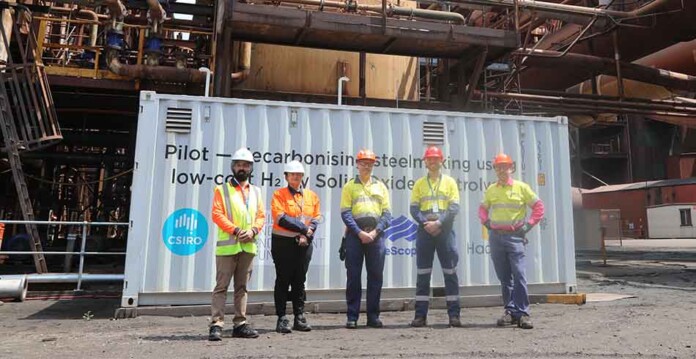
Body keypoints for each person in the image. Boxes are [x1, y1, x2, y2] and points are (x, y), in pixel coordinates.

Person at [479, 153, 545, 330]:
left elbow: (539, 207)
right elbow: (483, 209)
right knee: (504, 278)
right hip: (496, 237)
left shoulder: (521, 188)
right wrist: (485, 222)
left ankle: (523, 313)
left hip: (515, 237)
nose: (501, 170)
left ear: (511, 168)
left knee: (519, 275)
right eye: (498, 167)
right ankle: (510, 311)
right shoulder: (491, 189)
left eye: (504, 166)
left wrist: (527, 226)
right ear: (495, 169)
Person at [208, 147, 266, 341]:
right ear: (233, 167)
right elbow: (217, 214)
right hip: (228, 246)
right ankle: (216, 325)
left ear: (251, 168)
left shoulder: (256, 192)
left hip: (248, 246)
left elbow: (261, 216)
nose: (242, 168)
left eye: (246, 165)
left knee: (242, 288)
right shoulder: (222, 189)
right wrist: (236, 230)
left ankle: (240, 324)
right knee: (221, 287)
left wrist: (253, 231)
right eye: (239, 165)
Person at [409, 146, 462, 328]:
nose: (433, 162)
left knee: (450, 273)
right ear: (425, 162)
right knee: (423, 274)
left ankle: (454, 316)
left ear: (442, 161)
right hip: (425, 231)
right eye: (429, 159)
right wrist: (426, 223)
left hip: (445, 231)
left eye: (436, 159)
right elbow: (414, 209)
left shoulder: (450, 182)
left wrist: (438, 223)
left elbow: (454, 207)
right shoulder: (419, 184)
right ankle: (420, 316)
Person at [340, 149, 392, 329]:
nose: (367, 166)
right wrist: (359, 233)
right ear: (357, 164)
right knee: (353, 277)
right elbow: (346, 213)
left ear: (373, 165)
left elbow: (387, 214)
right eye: (363, 162)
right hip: (355, 237)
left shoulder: (381, 186)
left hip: (376, 236)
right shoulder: (349, 186)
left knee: (375, 277)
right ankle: (352, 316)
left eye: (370, 163)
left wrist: (375, 232)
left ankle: (373, 317)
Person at [270, 160, 321, 333]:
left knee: (300, 280)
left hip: (304, 244)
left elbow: (316, 217)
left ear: (302, 177)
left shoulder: (311, 196)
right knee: (283, 279)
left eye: (298, 175)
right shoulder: (279, 194)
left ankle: (299, 316)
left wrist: (308, 232)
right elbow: (280, 218)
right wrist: (304, 229)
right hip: (283, 244)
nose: (295, 177)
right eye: (292, 174)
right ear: (286, 176)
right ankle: (282, 318)